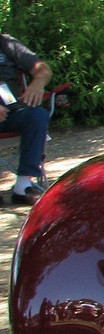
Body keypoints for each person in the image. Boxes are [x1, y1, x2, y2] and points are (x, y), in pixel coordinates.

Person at [0, 33, 52, 206]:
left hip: (12, 112)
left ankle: (22, 186)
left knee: (37, 115)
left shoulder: (6, 43)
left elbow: (43, 68)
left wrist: (38, 81)